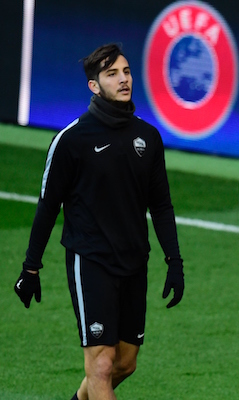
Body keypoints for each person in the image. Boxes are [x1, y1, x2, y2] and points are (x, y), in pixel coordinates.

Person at [12, 43, 185, 400]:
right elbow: (47, 207)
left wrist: (175, 260)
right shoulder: (72, 141)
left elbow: (162, 205)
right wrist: (31, 267)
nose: (123, 79)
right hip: (90, 260)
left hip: (135, 260)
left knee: (125, 363)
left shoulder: (148, 138)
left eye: (126, 71)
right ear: (94, 85)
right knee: (101, 366)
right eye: (112, 74)